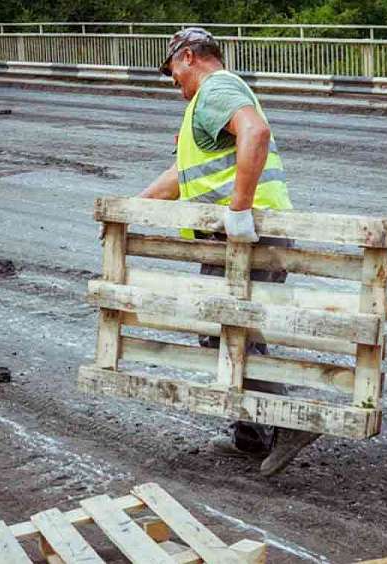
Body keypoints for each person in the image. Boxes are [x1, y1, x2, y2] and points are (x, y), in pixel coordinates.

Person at [138, 28, 320, 476]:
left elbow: (255, 133)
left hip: (244, 235)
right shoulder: (205, 107)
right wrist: (133, 209)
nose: (173, 82)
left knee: (223, 329)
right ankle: (252, 433)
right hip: (238, 239)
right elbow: (182, 174)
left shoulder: (216, 87)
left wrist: (239, 210)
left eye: (173, 70)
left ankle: (287, 419)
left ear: (189, 56)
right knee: (237, 327)